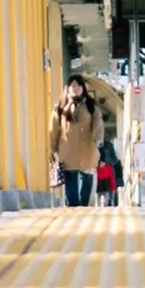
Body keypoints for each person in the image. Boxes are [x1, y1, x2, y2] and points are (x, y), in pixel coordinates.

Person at [51, 76, 103, 207]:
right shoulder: (61, 106)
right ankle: (73, 207)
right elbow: (53, 128)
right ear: (67, 88)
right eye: (72, 85)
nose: (75, 88)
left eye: (78, 85)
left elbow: (98, 124)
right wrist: (53, 149)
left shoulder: (91, 106)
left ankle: (84, 207)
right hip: (67, 150)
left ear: (83, 88)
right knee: (71, 182)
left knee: (87, 179)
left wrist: (97, 141)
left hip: (87, 149)